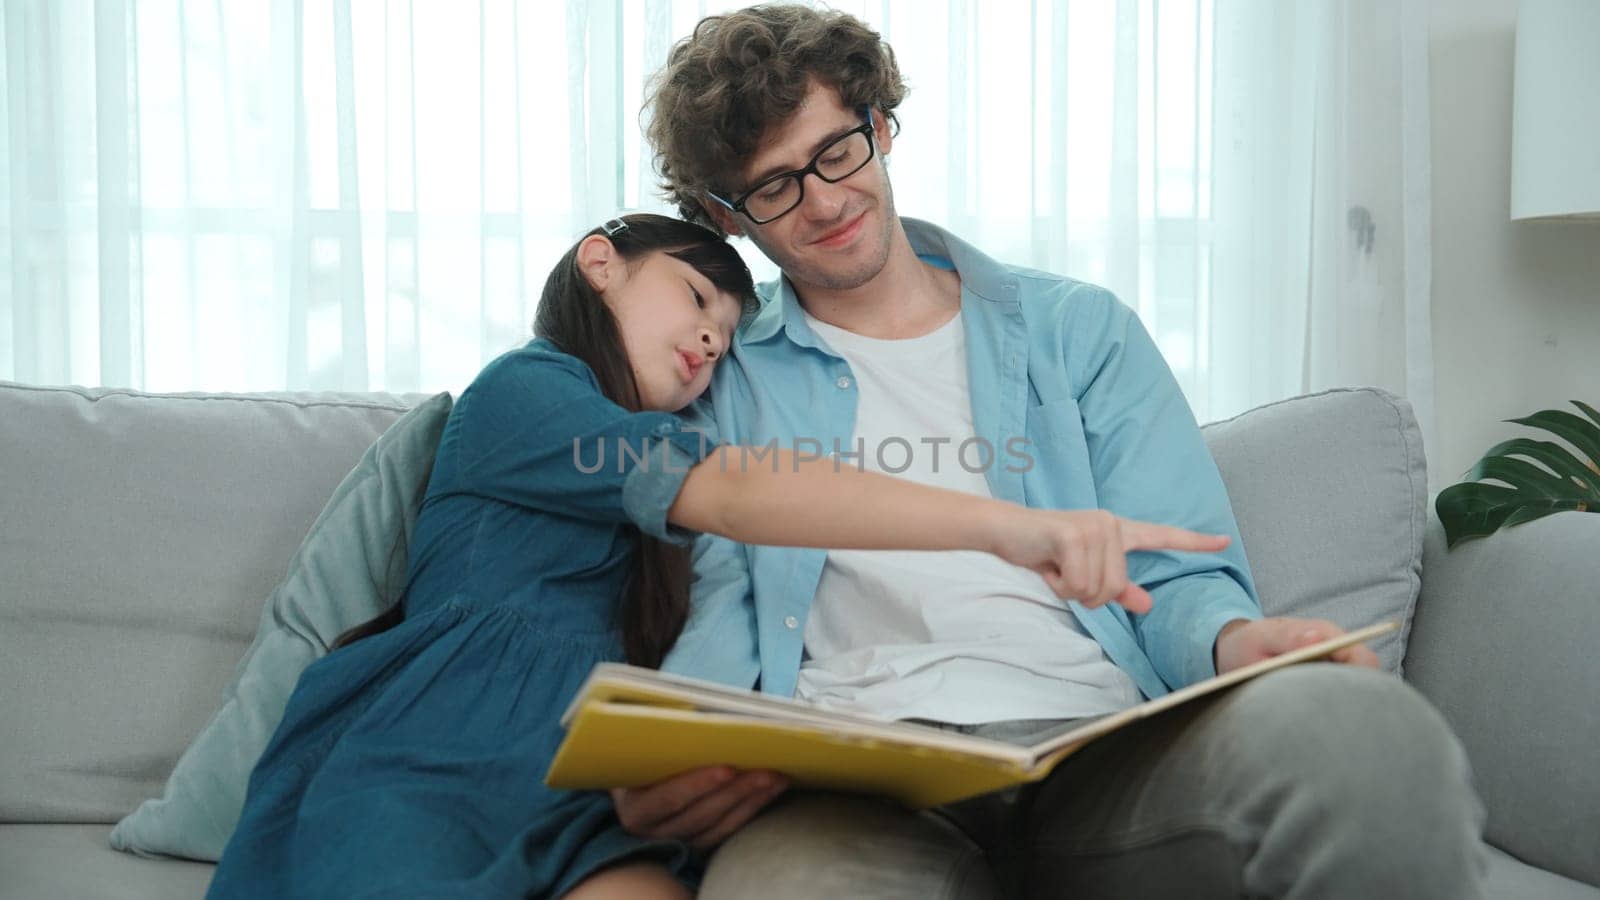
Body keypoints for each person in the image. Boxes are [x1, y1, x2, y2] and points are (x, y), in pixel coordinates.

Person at [620, 7, 1492, 898]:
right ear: (729, 219)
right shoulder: (719, 378)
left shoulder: (1079, 332)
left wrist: (1239, 641)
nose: (825, 201)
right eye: (775, 188)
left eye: (837, 150)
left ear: (880, 126)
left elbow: (1176, 577)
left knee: (1368, 731)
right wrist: (682, 744)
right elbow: (721, 602)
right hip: (856, 784)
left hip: (1102, 754)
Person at [204, 213, 1236, 900]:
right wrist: (1014, 528)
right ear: (599, 260)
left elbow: (750, 587)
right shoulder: (528, 393)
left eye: (730, 333)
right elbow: (749, 490)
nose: (710, 342)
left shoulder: (677, 485)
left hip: (585, 785)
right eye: (696, 300)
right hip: (444, 750)